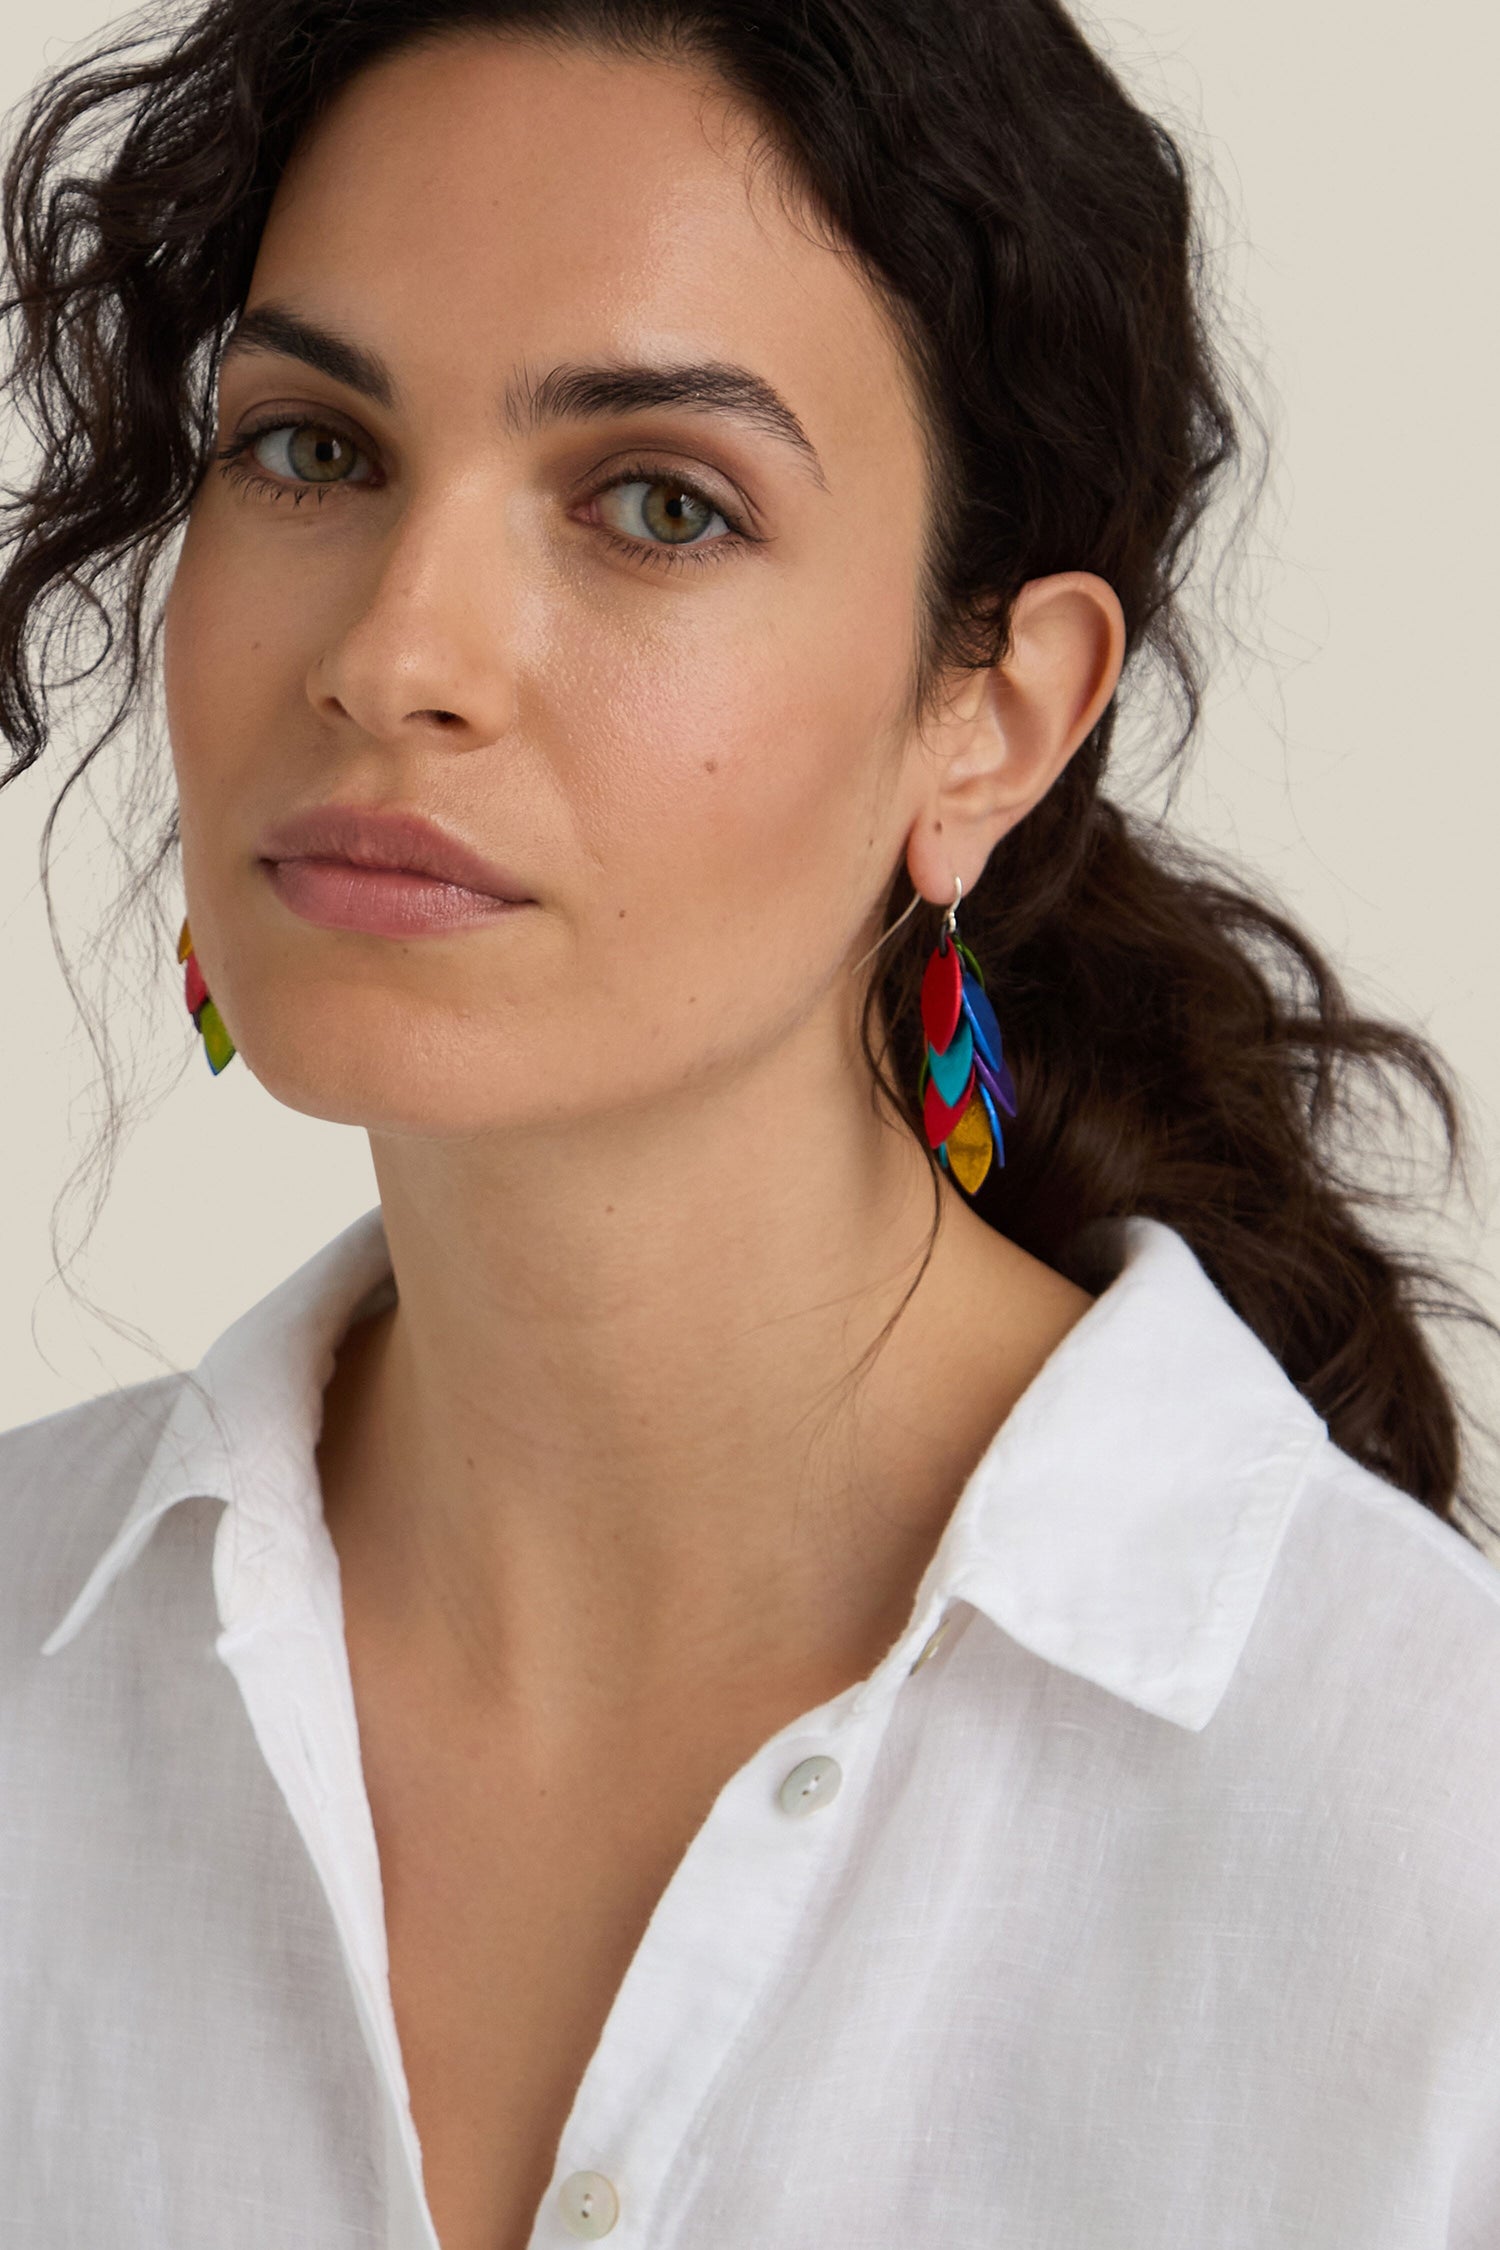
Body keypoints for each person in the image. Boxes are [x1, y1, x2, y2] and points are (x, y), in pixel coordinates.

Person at [1, 1, 1497, 2244]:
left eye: (659, 503)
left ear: (993, 717)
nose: (400, 648)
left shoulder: (1425, 1861)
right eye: (311, 448)